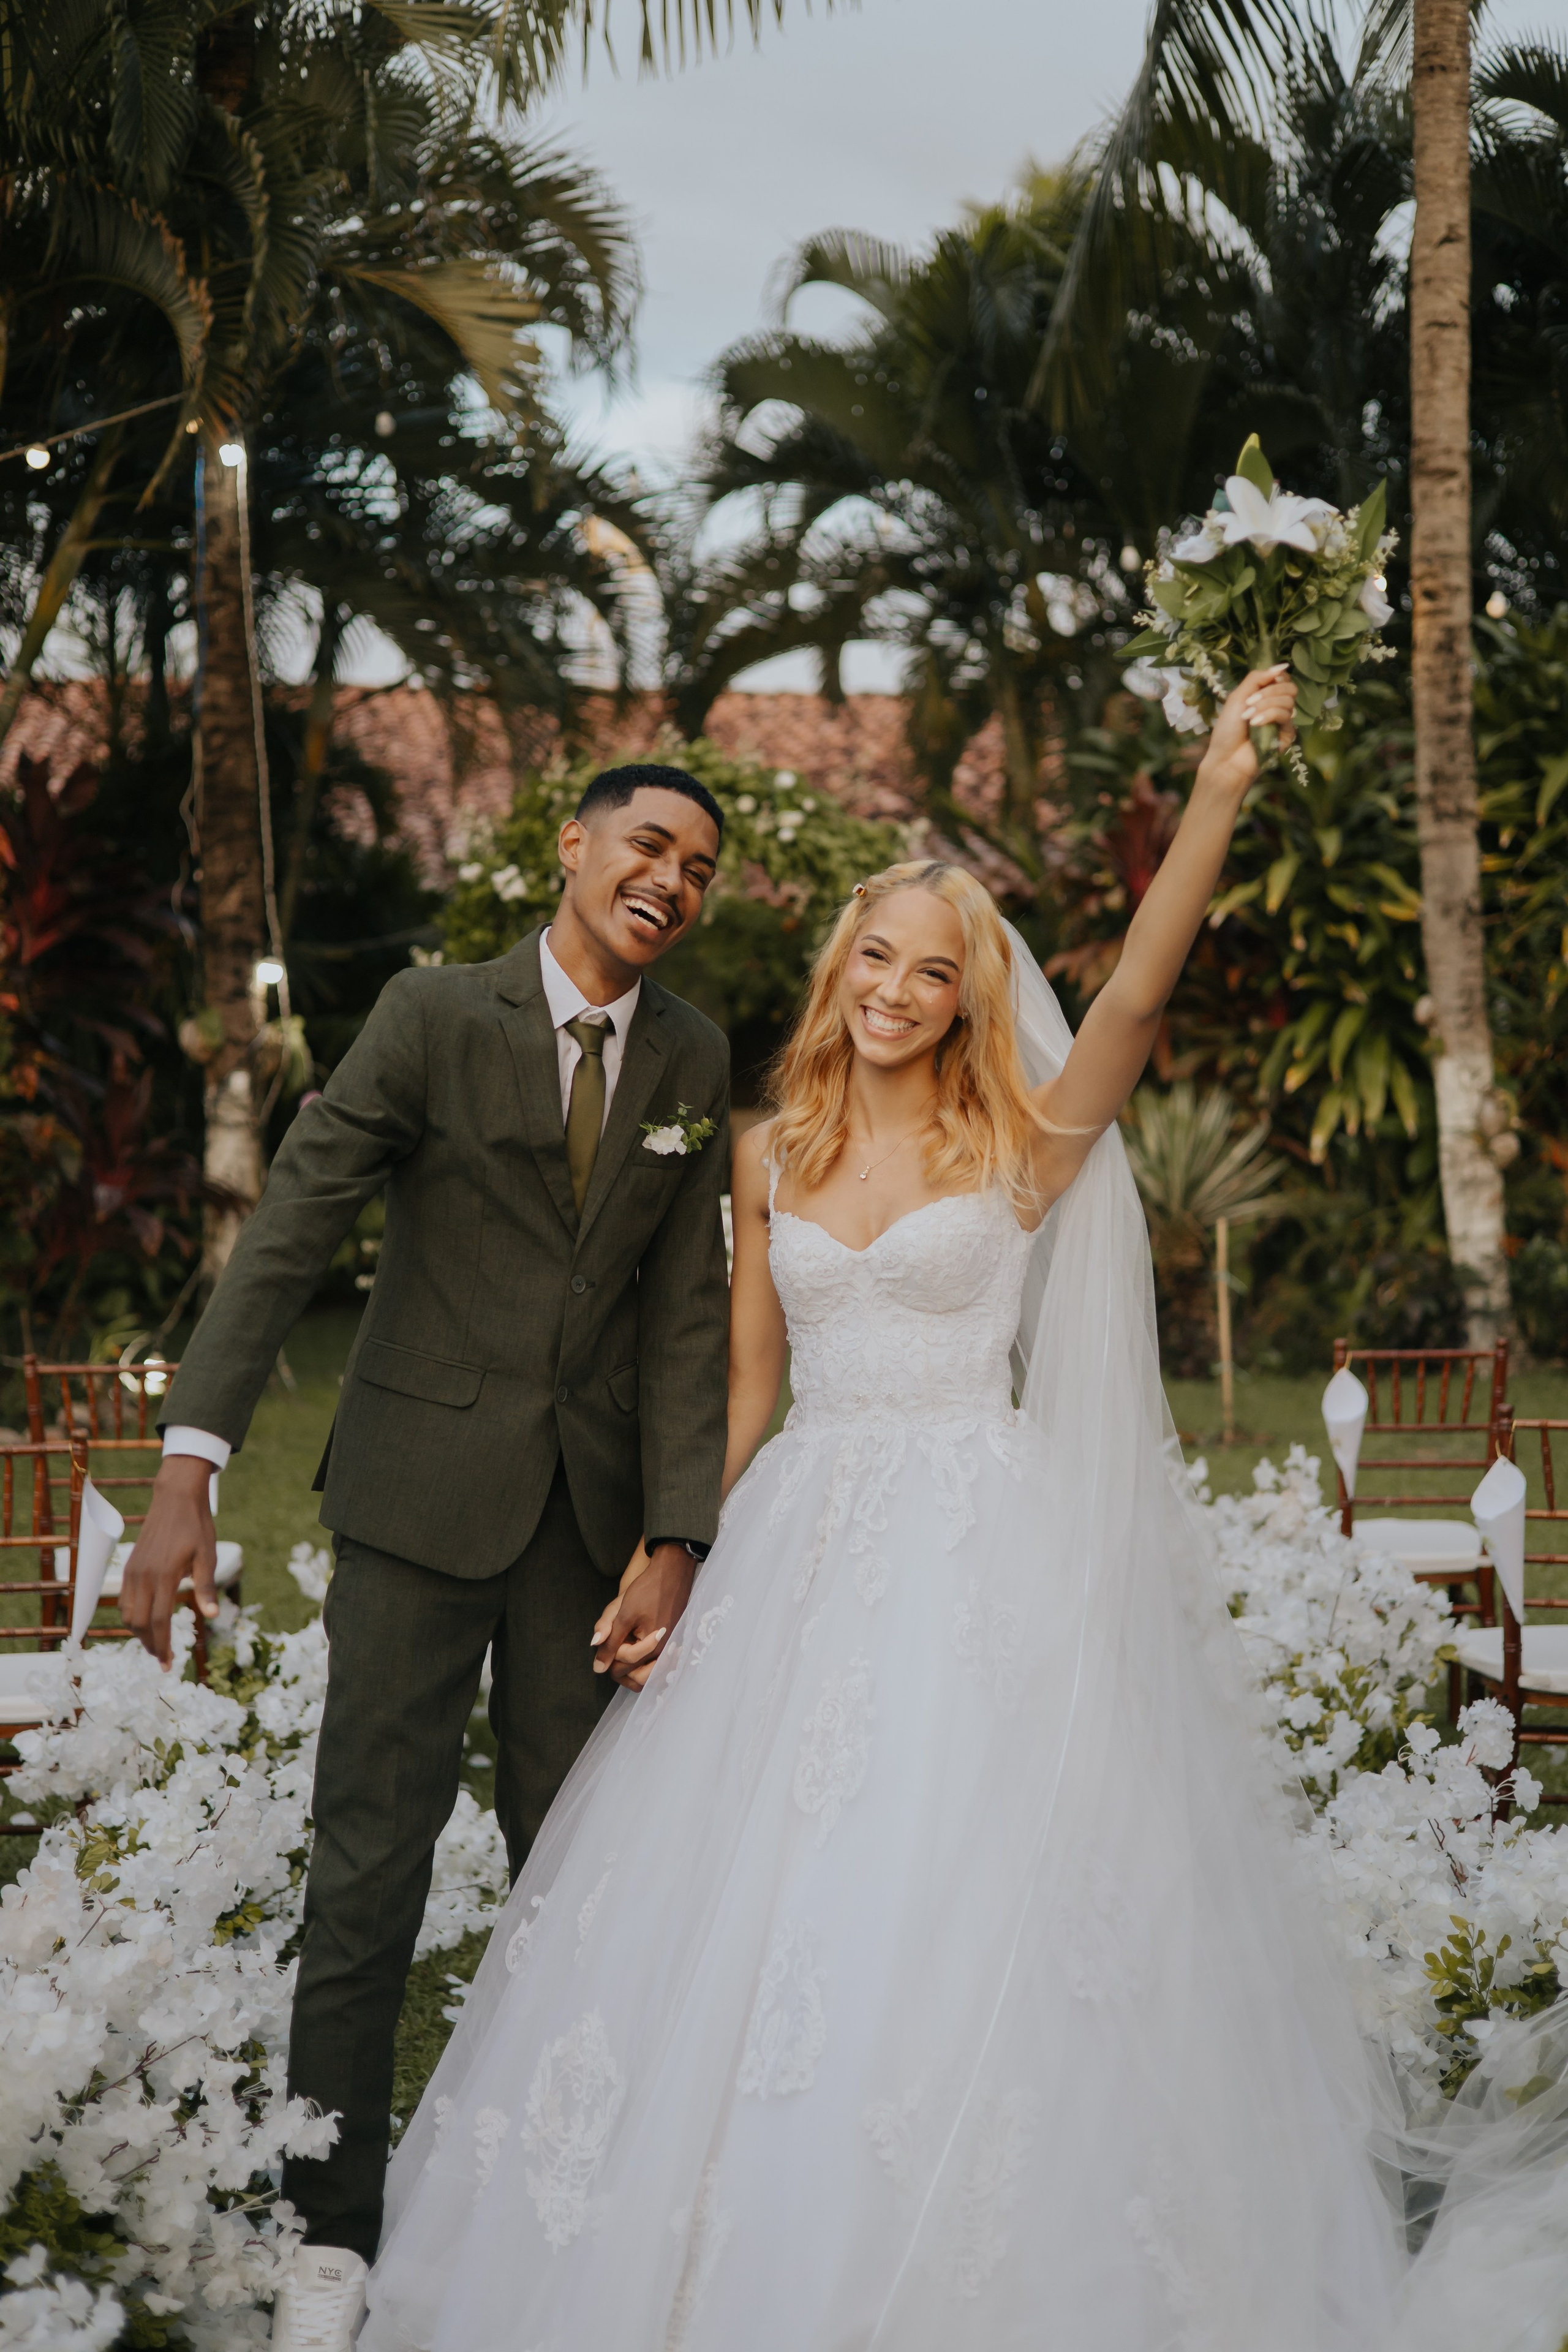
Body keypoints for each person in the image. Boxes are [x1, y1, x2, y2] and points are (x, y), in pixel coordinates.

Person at [360, 667, 1410, 2351]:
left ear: (971, 1000)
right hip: (802, 1535)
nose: (898, 992)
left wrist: (1218, 784)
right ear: (836, 965)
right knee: (749, 1897)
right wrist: (672, 1549)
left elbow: (1137, 994)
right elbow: (746, 1383)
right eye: (876, 958)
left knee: (970, 1887)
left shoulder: (1023, 1145)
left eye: (935, 972)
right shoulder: (765, 1148)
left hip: (978, 1546)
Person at [118, 765, 734, 2352]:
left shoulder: (692, 1054)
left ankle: (550, 2212)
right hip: (413, 1504)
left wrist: (678, 1536)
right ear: (574, 847)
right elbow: (296, 1222)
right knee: (368, 1870)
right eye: (650, 845)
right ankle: (328, 2234)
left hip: (589, 1538)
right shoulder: (433, 1014)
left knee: (580, 1879)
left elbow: (685, 1314)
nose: (671, 880)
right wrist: (191, 1461)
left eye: (700, 867)